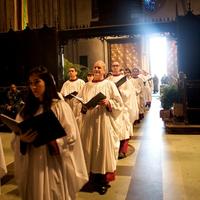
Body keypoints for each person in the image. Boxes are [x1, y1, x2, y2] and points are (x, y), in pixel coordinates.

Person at [11, 66, 88, 200]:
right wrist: (22, 140)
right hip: (33, 163)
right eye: (30, 83)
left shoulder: (59, 107)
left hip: (53, 162)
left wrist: (53, 141)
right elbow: (15, 138)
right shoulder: (26, 111)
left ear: (46, 82)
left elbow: (71, 136)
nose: (33, 87)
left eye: (37, 82)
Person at [75, 60, 123, 194]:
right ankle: (90, 179)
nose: (96, 69)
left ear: (104, 70)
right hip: (89, 123)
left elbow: (119, 104)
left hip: (103, 122)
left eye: (99, 67)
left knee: (102, 151)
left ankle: (102, 181)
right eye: (95, 67)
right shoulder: (85, 86)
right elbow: (78, 103)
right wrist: (83, 106)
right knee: (88, 150)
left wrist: (108, 102)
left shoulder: (110, 84)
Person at [107, 62, 135, 159]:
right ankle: (113, 149)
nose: (115, 67)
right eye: (113, 66)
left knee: (124, 130)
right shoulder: (108, 79)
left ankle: (123, 150)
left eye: (117, 66)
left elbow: (129, 93)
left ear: (120, 68)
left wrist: (119, 91)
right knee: (114, 130)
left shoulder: (125, 80)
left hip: (122, 107)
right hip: (112, 108)